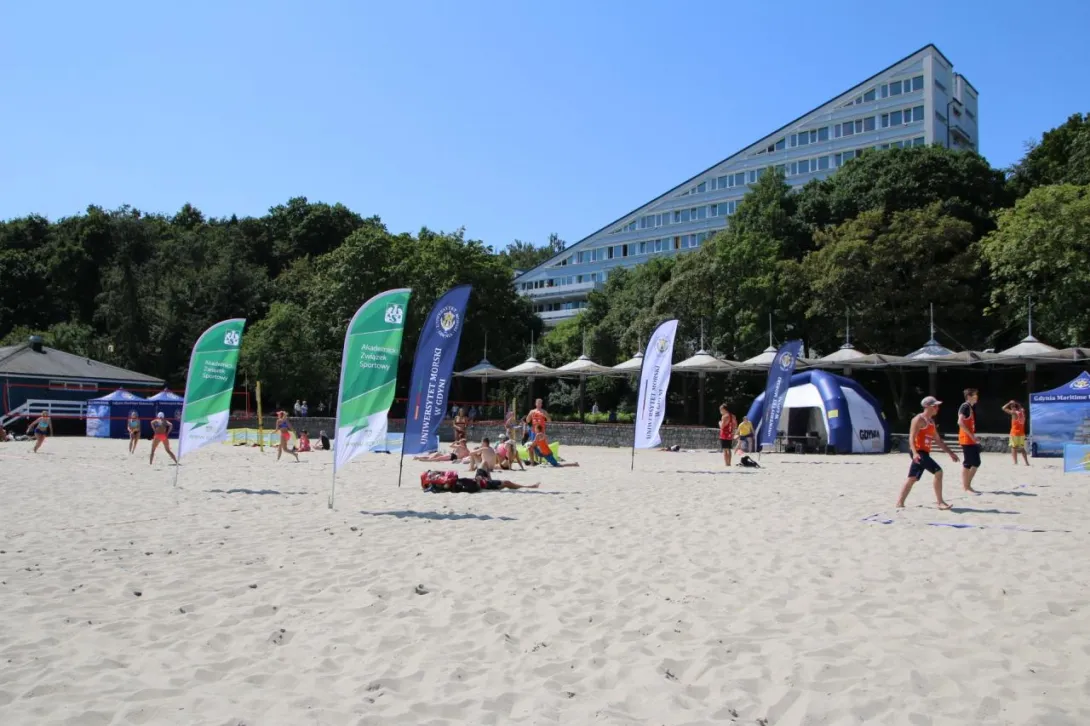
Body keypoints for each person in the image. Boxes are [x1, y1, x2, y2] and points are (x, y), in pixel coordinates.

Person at [896, 396, 958, 510]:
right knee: (938, 472)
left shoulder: (931, 422)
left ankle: (900, 502)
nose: (937, 408)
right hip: (918, 452)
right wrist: (915, 453)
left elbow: (938, 440)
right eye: (935, 406)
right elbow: (911, 437)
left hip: (925, 452)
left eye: (937, 406)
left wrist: (950, 453)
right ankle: (940, 502)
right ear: (927, 406)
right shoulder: (918, 419)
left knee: (912, 478)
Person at [957, 388, 982, 494]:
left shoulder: (970, 407)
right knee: (970, 463)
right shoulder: (965, 406)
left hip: (970, 439)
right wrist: (972, 436)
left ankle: (967, 485)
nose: (977, 397)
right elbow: (960, 422)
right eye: (975, 395)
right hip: (966, 439)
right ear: (969, 396)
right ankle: (966, 487)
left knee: (974, 462)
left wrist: (973, 436)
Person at [1002, 400, 1030, 466]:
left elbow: (1003, 408)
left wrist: (1009, 403)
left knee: (1013, 447)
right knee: (1022, 448)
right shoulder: (1022, 412)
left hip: (1015, 433)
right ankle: (1027, 462)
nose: (1011, 408)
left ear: (1013, 407)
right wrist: (1016, 403)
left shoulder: (1014, 413)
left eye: (1011, 407)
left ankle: (1015, 462)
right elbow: (1021, 407)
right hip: (1022, 433)